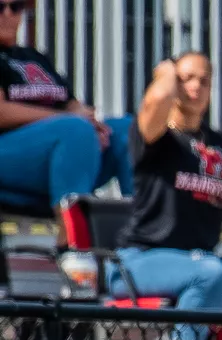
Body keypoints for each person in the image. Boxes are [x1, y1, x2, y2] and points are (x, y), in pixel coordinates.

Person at [115, 53, 222, 340]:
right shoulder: (156, 136)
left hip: (203, 258)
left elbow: (213, 207)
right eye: (186, 78)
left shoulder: (215, 140)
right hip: (143, 258)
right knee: (209, 275)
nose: (195, 86)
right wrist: (166, 71)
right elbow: (157, 100)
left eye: (204, 80)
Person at [0, 6, 131, 211]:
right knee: (75, 131)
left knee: (128, 129)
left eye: (15, 7)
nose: (8, 15)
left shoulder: (34, 57)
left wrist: (93, 124)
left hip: (60, 145)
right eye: (0, 7)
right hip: (9, 150)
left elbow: (68, 101)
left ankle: (145, 230)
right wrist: (71, 120)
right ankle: (72, 235)